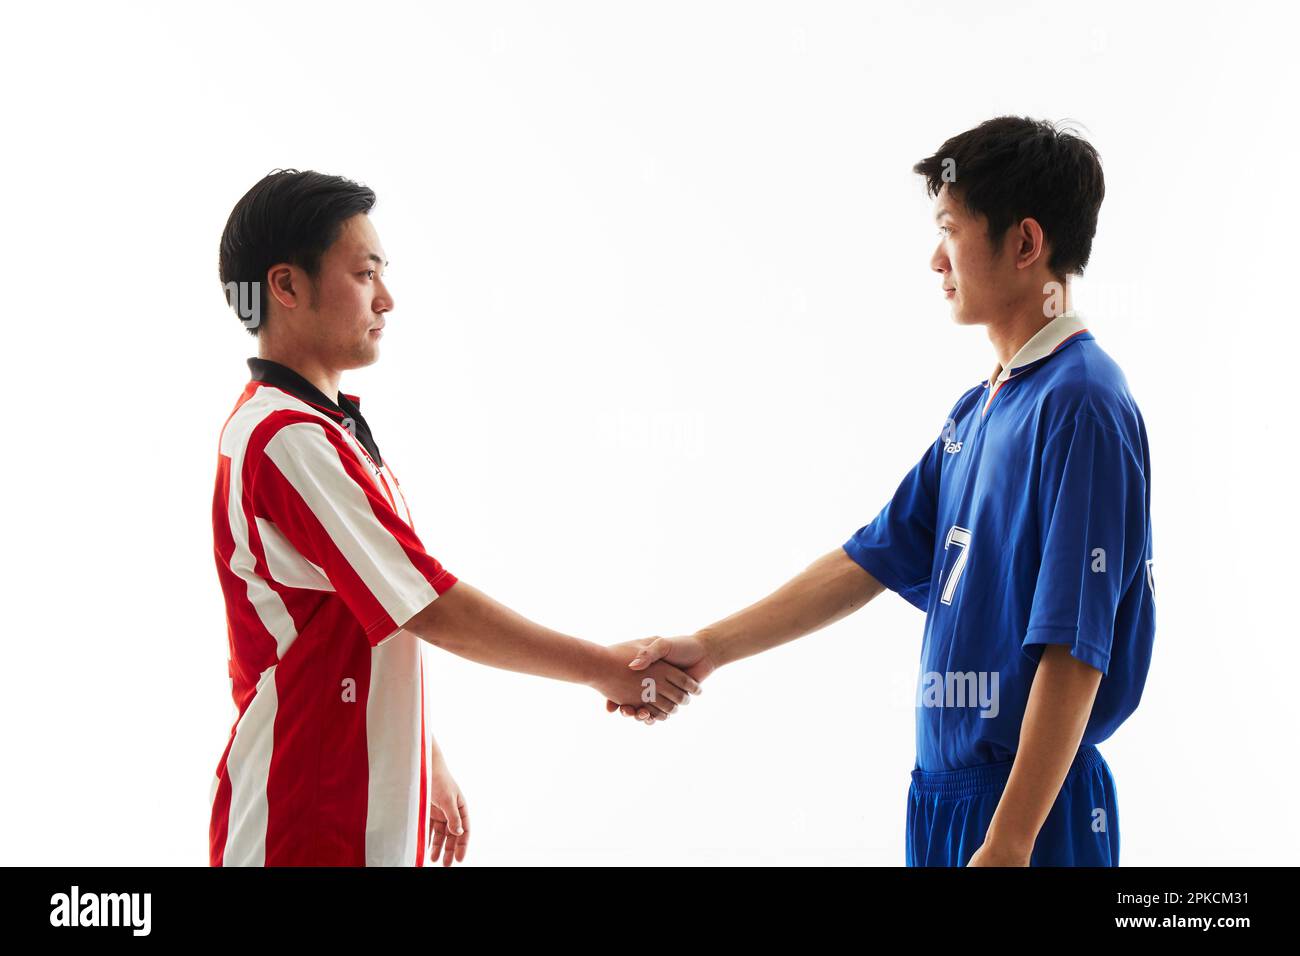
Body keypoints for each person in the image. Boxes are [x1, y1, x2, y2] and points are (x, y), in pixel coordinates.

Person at [611, 117, 1156, 867]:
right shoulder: (982, 407)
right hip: (943, 800)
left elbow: (1076, 646)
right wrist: (709, 648)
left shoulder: (1083, 403)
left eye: (950, 229)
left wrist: (1010, 840)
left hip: (1029, 815)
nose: (937, 258)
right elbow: (865, 560)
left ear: (1026, 245)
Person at [209, 169, 701, 867]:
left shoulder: (324, 429)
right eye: (364, 273)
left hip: (352, 810)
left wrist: (421, 753)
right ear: (285, 287)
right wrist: (603, 668)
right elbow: (427, 603)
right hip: (305, 819)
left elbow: (366, 614)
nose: (387, 298)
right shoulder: (284, 438)